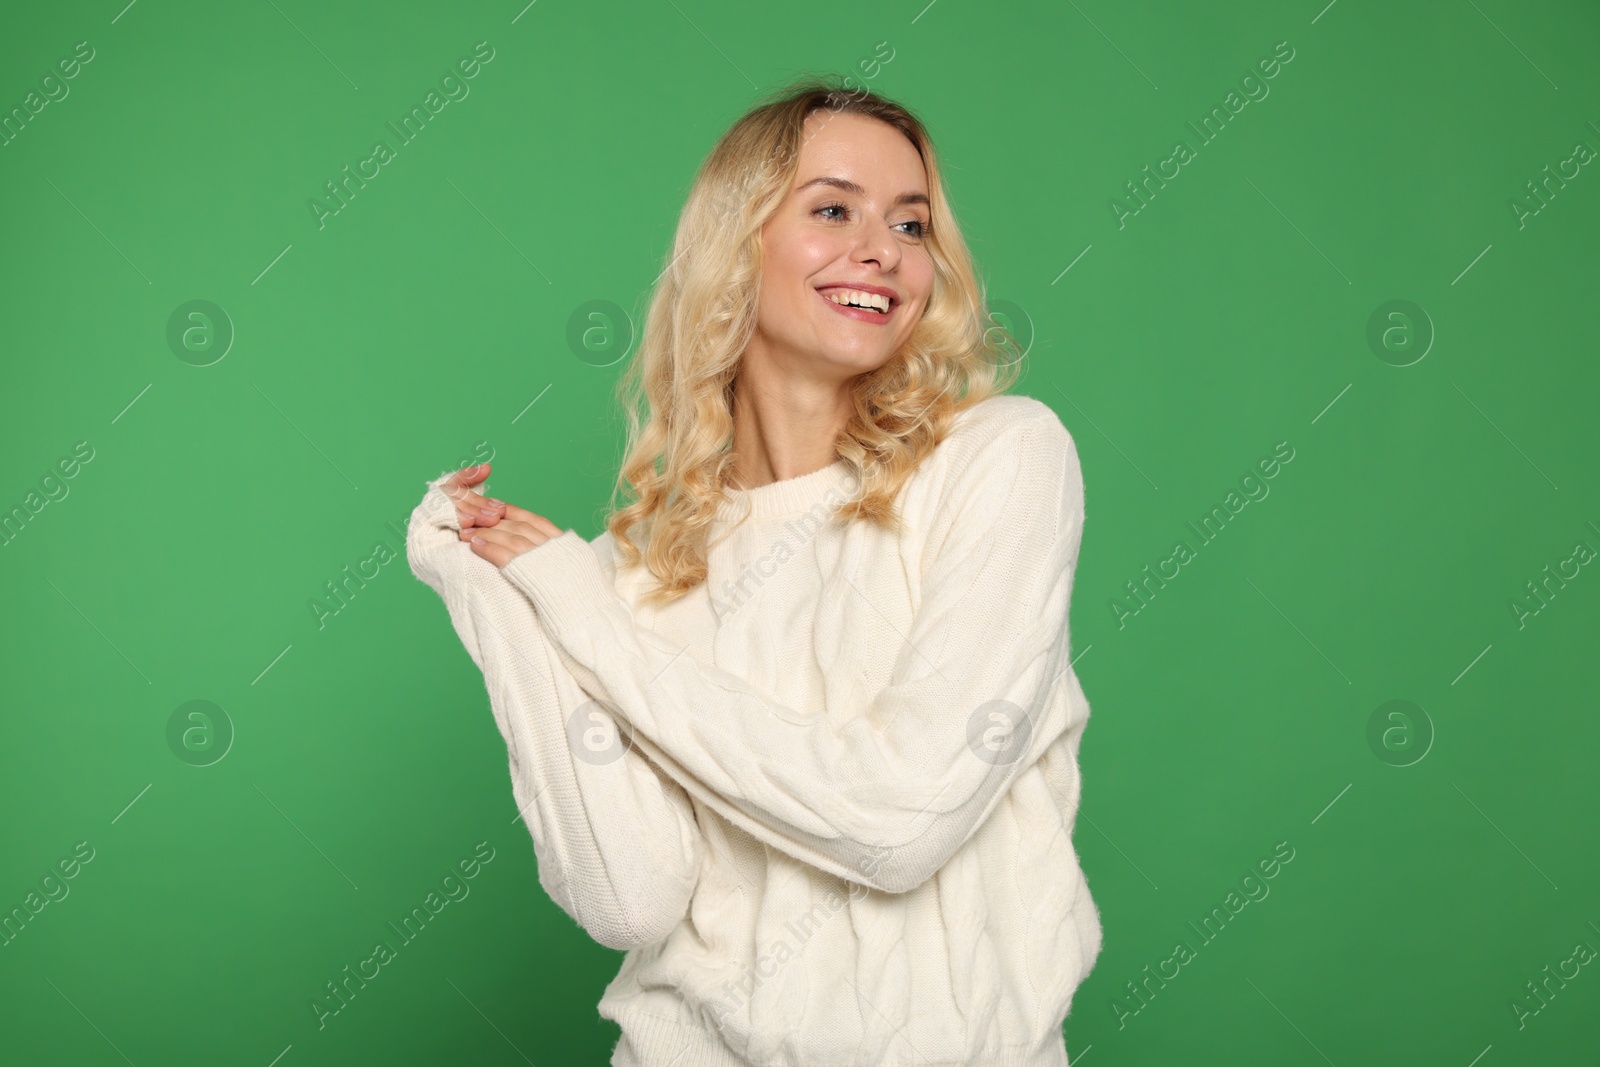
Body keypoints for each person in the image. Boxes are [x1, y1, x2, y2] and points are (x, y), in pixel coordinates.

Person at [405, 75, 1102, 1067]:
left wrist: (581, 617)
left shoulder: (999, 459)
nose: (882, 250)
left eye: (910, 224)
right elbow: (627, 894)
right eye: (832, 209)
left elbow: (900, 820)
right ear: (738, 242)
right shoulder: (627, 569)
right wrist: (494, 600)